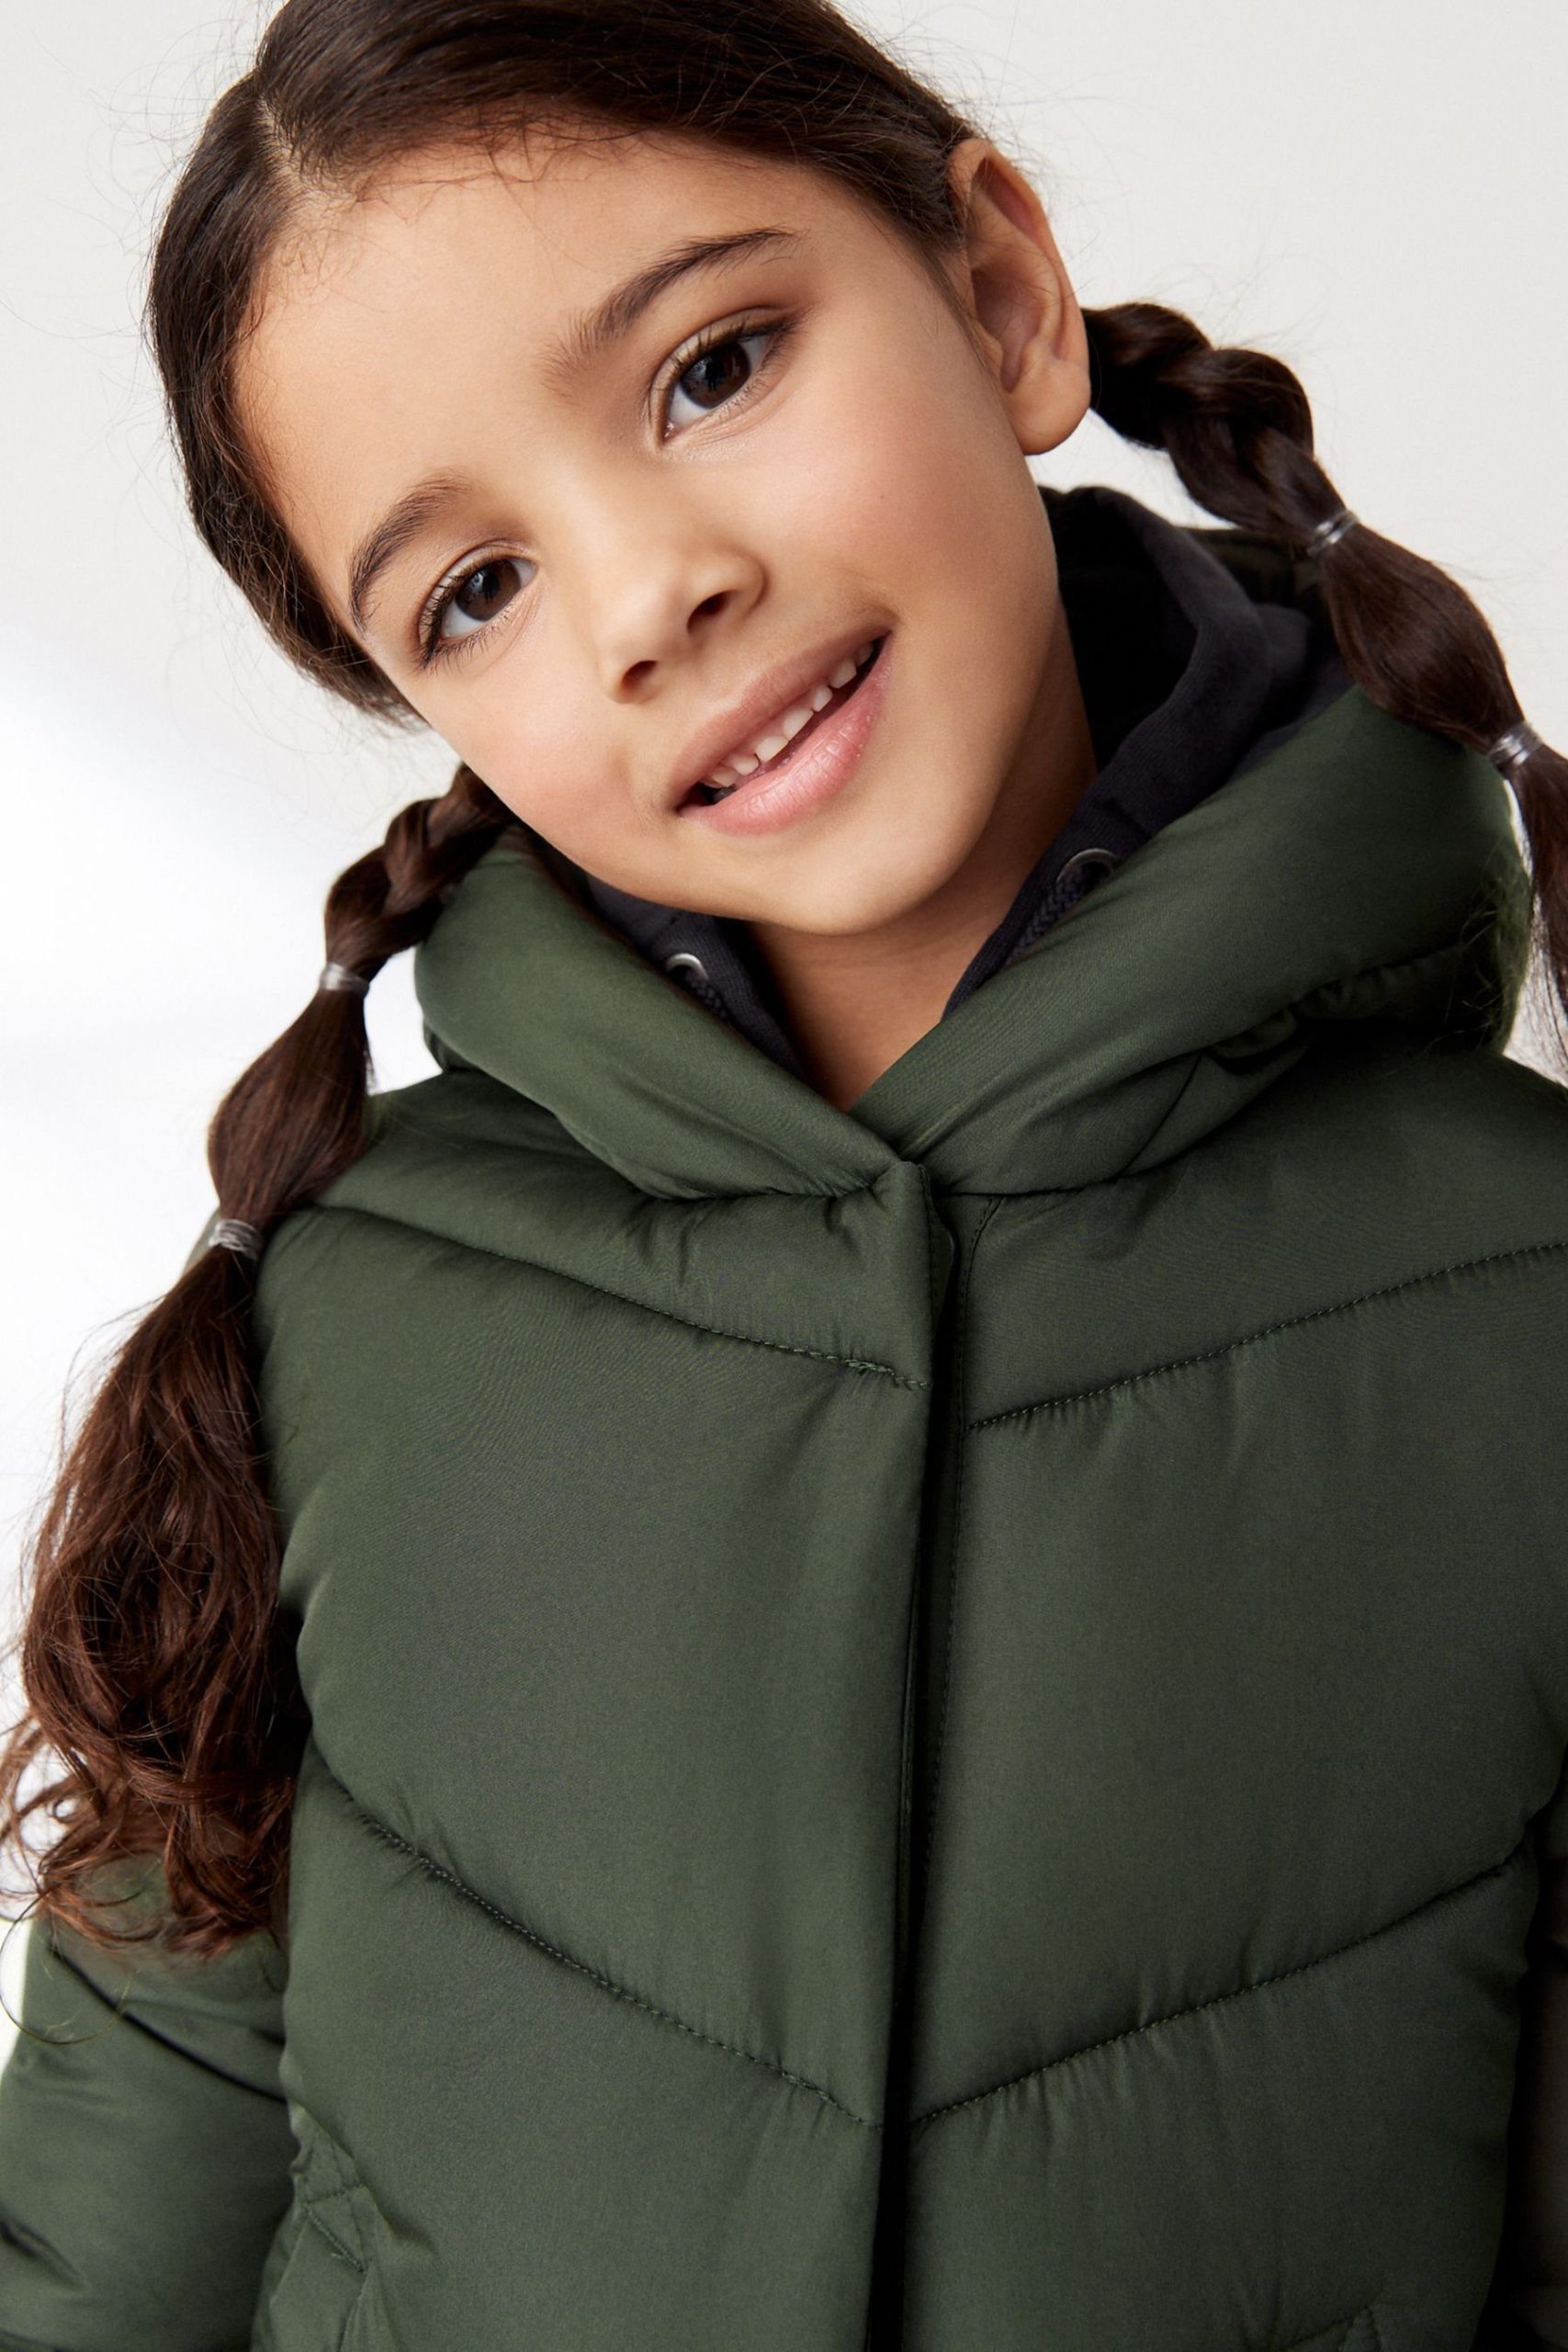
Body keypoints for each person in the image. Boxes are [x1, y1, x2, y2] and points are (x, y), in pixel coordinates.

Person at [1, 0, 1566, 2344]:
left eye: (711, 369)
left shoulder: (1521, 1295)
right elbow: (97, 2265)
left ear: (998, 295)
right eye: (474, 589)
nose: (649, 597)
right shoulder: (326, 1330)